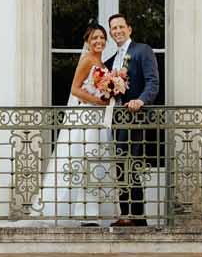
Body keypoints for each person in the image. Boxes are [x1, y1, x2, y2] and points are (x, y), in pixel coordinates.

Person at [22, 23, 116, 225]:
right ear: (88, 42)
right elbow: (75, 89)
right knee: (80, 160)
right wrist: (98, 101)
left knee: (95, 161)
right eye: (94, 38)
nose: (98, 41)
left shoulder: (104, 64)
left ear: (106, 41)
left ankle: (93, 210)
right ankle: (79, 211)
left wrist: (110, 94)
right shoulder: (87, 60)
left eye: (101, 38)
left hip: (98, 118)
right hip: (85, 116)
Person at [101, 12, 162, 226]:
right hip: (116, 120)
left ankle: (134, 218)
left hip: (135, 117)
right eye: (113, 28)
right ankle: (128, 216)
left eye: (120, 27)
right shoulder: (110, 61)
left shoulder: (142, 50)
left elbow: (153, 82)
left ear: (129, 29)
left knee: (129, 165)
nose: (117, 31)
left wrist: (141, 101)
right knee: (121, 166)